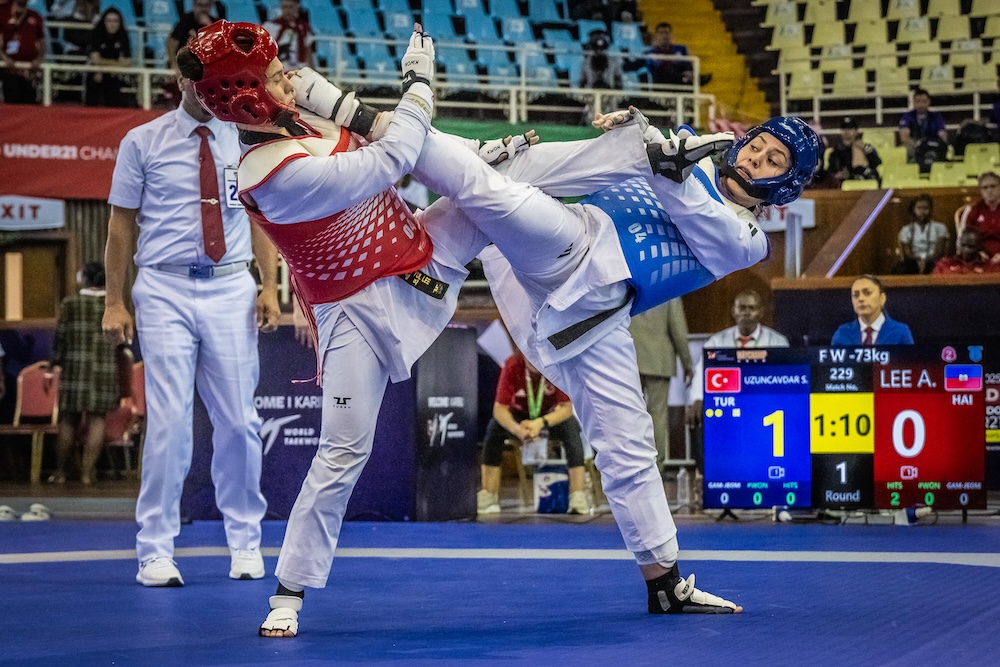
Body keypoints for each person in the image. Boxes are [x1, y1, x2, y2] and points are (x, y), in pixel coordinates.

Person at [179, 20, 818, 634]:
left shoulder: (747, 237)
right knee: (492, 186)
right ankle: (290, 590)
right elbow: (401, 154)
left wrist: (652, 150)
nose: (757, 152)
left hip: (586, 309)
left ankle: (666, 580)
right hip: (521, 255)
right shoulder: (270, 167)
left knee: (626, 444)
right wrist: (637, 137)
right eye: (760, 140)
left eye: (772, 156)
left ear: (783, 183)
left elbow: (694, 206)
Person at [102, 56, 281, 588]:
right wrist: (115, 301)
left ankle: (246, 541)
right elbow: (119, 226)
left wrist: (268, 285)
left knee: (241, 422)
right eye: (199, 80)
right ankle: (155, 550)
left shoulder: (243, 139)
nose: (207, 90)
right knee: (169, 423)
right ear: (181, 80)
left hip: (230, 283)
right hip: (163, 287)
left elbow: (259, 215)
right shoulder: (143, 141)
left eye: (216, 82)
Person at [477, 350, 589, 516]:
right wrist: (518, 430)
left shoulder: (555, 365)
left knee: (571, 428)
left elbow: (566, 408)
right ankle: (488, 495)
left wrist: (540, 423)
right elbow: (499, 409)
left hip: (548, 417)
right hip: (520, 418)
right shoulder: (512, 365)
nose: (533, 362)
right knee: (494, 428)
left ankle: (578, 495)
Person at [45, 262, 121, 485]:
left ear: (85, 279)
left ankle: (60, 473)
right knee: (97, 420)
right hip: (104, 369)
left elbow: (60, 338)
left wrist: (52, 364)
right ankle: (87, 475)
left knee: (68, 420)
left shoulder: (70, 303)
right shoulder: (112, 305)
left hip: (74, 369)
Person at [627, 298, 692, 475]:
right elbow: (678, 329)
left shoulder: (628, 284)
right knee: (658, 415)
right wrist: (687, 363)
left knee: (630, 415)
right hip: (659, 360)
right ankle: (656, 467)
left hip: (628, 360)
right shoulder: (670, 288)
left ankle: (631, 466)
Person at [831, 275, 914, 346]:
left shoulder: (900, 332)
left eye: (867, 293)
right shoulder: (842, 333)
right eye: (855, 295)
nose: (860, 299)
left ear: (882, 298)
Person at [84, 7, 133, 108]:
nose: (112, 24)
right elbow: (95, 59)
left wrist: (105, 63)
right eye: (109, 21)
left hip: (114, 74)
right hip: (96, 72)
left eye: (115, 21)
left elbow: (127, 61)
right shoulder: (96, 34)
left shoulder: (123, 35)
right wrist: (116, 63)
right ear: (104, 22)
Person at [0, 0, 46, 104]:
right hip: (10, 71)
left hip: (29, 71)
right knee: (11, 103)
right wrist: (4, 58)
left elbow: (41, 42)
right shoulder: (2, 14)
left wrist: (38, 59)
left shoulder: (36, 16)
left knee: (29, 103)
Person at [894, 193, 949, 275]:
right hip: (913, 263)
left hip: (933, 261)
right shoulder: (906, 230)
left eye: (925, 208)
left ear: (931, 209)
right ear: (913, 210)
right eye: (919, 208)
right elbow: (907, 252)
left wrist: (926, 262)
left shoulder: (940, 228)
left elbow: (940, 251)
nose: (922, 212)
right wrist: (918, 263)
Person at [897, 88, 949, 167]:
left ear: (929, 102)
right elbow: (904, 137)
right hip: (914, 147)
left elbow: (943, 135)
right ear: (913, 103)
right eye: (918, 101)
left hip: (932, 146)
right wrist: (918, 145)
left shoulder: (936, 116)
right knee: (908, 150)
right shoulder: (907, 116)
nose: (921, 105)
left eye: (924, 101)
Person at [956, 171, 1000, 262]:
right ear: (980, 191)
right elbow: (962, 239)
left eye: (993, 186)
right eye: (985, 188)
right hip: (978, 258)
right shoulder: (972, 210)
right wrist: (977, 253)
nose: (989, 190)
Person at [826, 117, 881, 186]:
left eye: (850, 129)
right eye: (844, 129)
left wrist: (864, 149)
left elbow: (877, 163)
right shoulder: (837, 150)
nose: (847, 132)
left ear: (856, 131)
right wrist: (839, 174)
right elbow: (831, 170)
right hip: (844, 186)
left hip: (866, 183)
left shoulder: (865, 147)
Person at [166, 0, 219, 70]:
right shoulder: (186, 20)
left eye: (206, 6)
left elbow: (218, 45)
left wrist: (209, 25)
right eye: (200, 5)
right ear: (194, 5)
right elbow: (172, 42)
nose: (203, 9)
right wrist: (174, 64)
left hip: (207, 64)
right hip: (186, 64)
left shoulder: (214, 22)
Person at [262, 0, 314, 71]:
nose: (287, 10)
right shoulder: (270, 26)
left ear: (297, 6)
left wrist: (311, 70)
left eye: (290, 7)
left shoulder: (303, 27)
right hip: (277, 69)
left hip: (298, 69)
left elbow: (308, 50)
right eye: (284, 7)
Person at [933, 228, 999, 275]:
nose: (966, 250)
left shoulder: (990, 268)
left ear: (979, 247)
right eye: (964, 245)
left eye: (971, 247)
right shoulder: (944, 264)